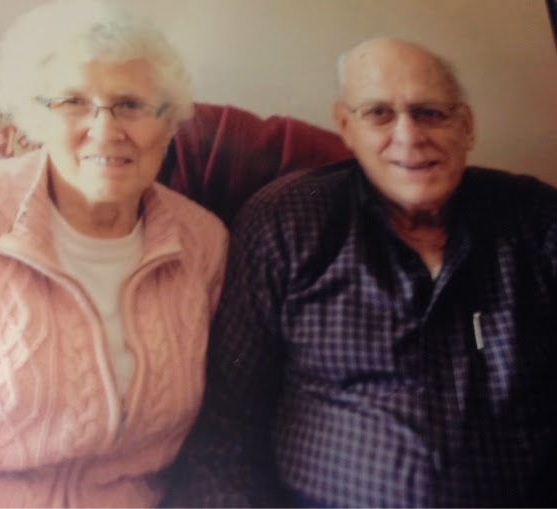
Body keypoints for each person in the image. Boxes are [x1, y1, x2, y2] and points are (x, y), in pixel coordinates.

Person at [166, 38, 557, 507]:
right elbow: (225, 428)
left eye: (430, 113)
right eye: (379, 114)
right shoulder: (287, 223)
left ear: (467, 127)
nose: (409, 136)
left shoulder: (537, 221)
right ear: (346, 128)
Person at [0, 0, 230, 506]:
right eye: (73, 102)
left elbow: (220, 432)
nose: (105, 129)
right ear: (35, 119)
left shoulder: (203, 243)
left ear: (168, 123)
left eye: (131, 105)